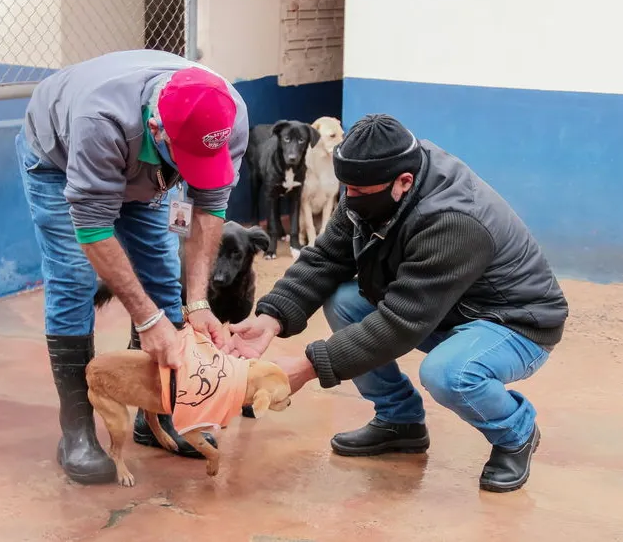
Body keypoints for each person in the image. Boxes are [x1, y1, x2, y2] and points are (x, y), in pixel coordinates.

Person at [227, 114, 568, 493]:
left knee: (449, 373)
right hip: (448, 310)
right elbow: (326, 257)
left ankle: (515, 433)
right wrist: (270, 318)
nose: (348, 199)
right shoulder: (374, 179)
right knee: (343, 301)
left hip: (513, 323)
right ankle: (399, 421)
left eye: (358, 191)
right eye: (346, 187)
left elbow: (401, 323)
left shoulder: (453, 220)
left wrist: (305, 368)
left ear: (403, 182)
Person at [15, 49, 249, 484]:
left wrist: (196, 301)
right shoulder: (98, 120)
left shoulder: (228, 115)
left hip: (150, 172)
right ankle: (77, 430)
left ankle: (154, 415)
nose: (194, 172)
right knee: (74, 277)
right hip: (58, 157)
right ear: (157, 127)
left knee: (163, 272)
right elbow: (92, 230)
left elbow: (209, 206)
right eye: (188, 159)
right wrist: (147, 319)